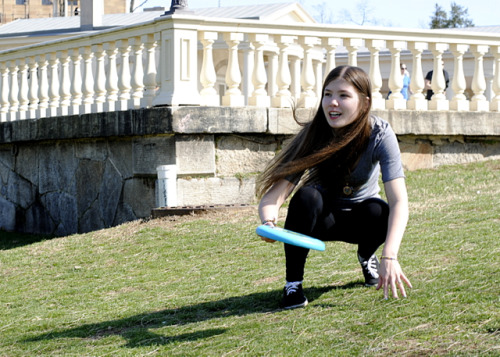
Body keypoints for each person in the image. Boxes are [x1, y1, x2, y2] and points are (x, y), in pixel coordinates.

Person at [256, 65, 412, 309]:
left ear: (364, 102)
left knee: (380, 211)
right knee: (306, 197)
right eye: (327, 94)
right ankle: (293, 285)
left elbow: (399, 201)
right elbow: (273, 197)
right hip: (320, 220)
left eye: (343, 95)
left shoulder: (380, 134)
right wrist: (268, 224)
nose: (333, 103)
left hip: (360, 221)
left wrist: (389, 256)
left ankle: (366, 257)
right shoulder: (314, 133)